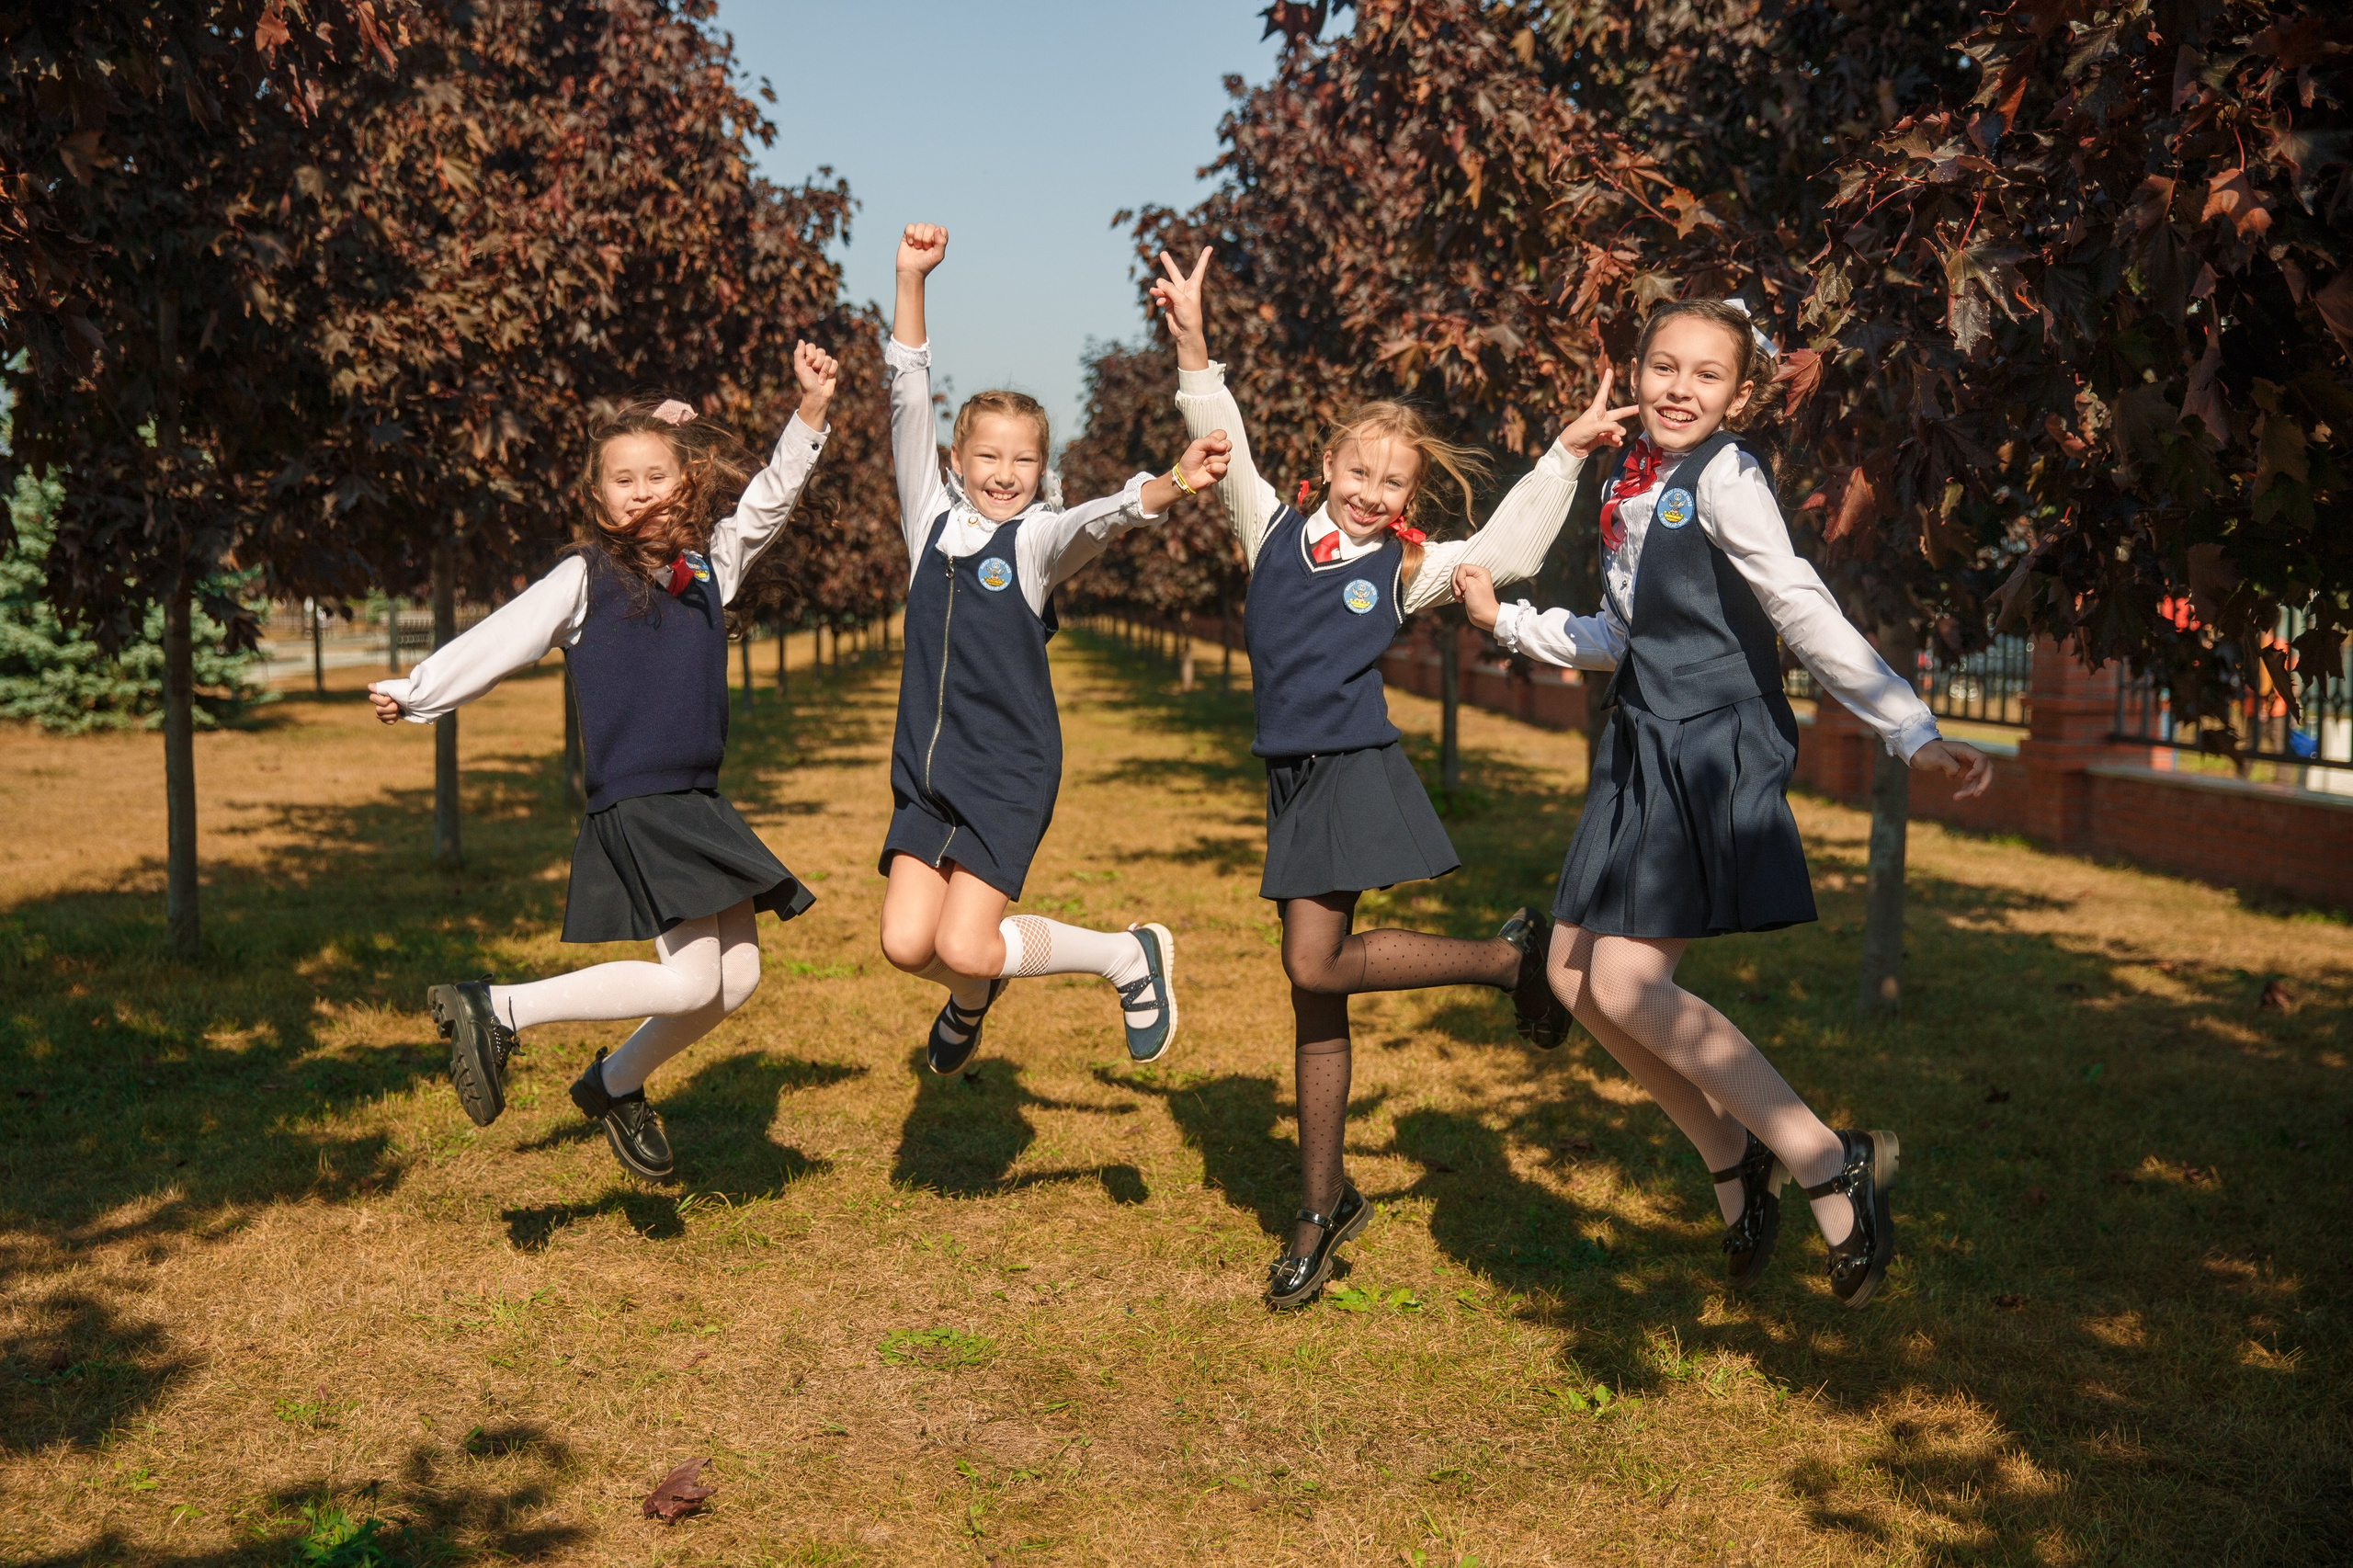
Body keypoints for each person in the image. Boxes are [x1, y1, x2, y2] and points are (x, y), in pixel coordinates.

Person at [1452, 298, 1993, 1309]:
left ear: (1741, 396)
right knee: (1572, 977)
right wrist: (1508, 620)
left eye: (1706, 375)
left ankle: (1825, 1159)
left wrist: (1908, 729)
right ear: (1636, 371)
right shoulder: (1630, 477)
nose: (1678, 387)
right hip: (1640, 737)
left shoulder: (1727, 475)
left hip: (1708, 745)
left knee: (1625, 984)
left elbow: (1796, 602)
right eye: (1663, 366)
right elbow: (1625, 632)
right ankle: (1729, 1157)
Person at [1154, 246, 1588, 1310]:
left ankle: (1504, 961)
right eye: (1360, 473)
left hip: (1353, 768)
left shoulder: (1403, 566)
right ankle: (1319, 1206)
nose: (1371, 492)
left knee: (1314, 964)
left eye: (1393, 482)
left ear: (1408, 494)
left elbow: (1510, 548)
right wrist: (1194, 343)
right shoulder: (1266, 528)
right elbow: (1227, 434)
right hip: (1290, 777)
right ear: (1330, 463)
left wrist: (1566, 453)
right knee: (1312, 994)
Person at [369, 344, 842, 1182]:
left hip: (698, 801)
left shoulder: (706, 571)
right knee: (693, 982)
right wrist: (420, 690)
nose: (642, 492)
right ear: (596, 498)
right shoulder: (584, 577)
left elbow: (767, 505)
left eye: (657, 476)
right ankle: (498, 1006)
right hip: (641, 803)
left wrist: (808, 416)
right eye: (622, 481)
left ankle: (614, 1084)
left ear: (686, 484)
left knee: (736, 980)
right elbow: (503, 635)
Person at [878, 223, 1230, 1077]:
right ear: (957, 462)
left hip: (1006, 769)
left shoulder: (1035, 543)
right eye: (989, 456)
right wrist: (911, 279)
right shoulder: (927, 521)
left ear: (1042, 468)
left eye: (1025, 460)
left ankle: (1125, 956)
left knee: (967, 940)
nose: (1005, 472)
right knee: (903, 942)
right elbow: (907, 394)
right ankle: (972, 1001)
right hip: (925, 773)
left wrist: (1172, 484)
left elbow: (1099, 516)